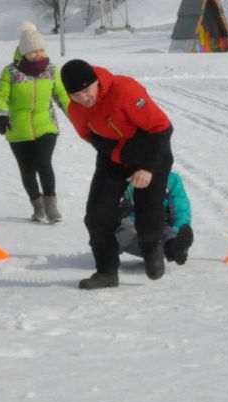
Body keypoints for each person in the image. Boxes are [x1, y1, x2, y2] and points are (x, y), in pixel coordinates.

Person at [61, 59, 175, 289]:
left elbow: (162, 128)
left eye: (86, 90)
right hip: (114, 158)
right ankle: (106, 272)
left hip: (151, 151)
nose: (84, 98)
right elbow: (92, 138)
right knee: (97, 215)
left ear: (96, 82)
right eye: (76, 95)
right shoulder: (76, 110)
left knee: (148, 213)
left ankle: (152, 246)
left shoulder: (124, 90)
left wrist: (148, 168)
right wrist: (118, 155)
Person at [0, 22, 69, 223]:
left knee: (44, 162)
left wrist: (75, 113)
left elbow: (61, 95)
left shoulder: (51, 70)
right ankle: (38, 206)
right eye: (33, 51)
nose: (38, 55)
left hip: (46, 125)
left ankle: (51, 208)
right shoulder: (11, 72)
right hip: (18, 129)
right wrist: (2, 115)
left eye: (41, 50)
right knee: (27, 169)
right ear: (24, 52)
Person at [112, 169, 194, 269]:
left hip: (160, 226)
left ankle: (174, 247)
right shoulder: (123, 178)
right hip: (132, 225)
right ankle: (154, 252)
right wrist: (118, 210)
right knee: (117, 228)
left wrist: (180, 228)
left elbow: (181, 209)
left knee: (167, 232)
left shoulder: (171, 180)